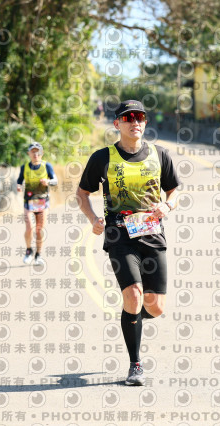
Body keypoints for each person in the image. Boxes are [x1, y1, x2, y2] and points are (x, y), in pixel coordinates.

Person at [76, 100, 181, 386]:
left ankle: (132, 318)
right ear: (117, 124)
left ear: (145, 123)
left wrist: (167, 206)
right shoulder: (103, 158)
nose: (135, 121)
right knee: (133, 295)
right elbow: (82, 193)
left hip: (152, 234)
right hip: (118, 235)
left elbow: (174, 191)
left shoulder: (160, 155)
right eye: (128, 117)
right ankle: (135, 364)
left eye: (140, 117)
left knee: (155, 307)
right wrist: (93, 219)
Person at [16, 142, 58, 266]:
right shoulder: (24, 167)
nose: (35, 154)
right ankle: (29, 250)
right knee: (29, 228)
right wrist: (19, 186)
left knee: (39, 230)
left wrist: (48, 182)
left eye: (37, 151)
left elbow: (55, 181)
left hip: (43, 202)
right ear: (29, 153)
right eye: (33, 151)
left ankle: (38, 255)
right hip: (29, 202)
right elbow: (19, 180)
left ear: (42, 153)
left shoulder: (47, 166)